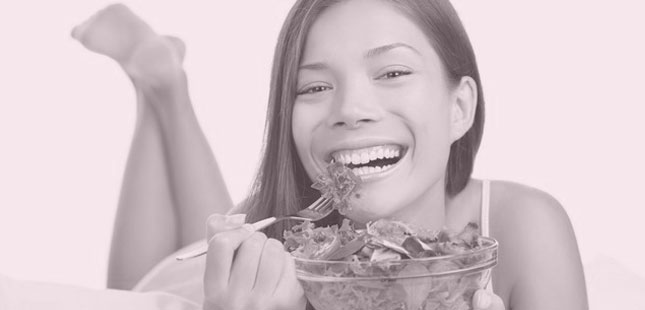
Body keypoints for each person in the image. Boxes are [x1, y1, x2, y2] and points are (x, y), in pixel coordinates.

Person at [72, 1, 589, 309]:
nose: (351, 109)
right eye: (314, 87)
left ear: (459, 106)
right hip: (193, 283)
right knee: (130, 296)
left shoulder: (522, 227)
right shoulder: (281, 234)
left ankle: (163, 82)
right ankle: (162, 87)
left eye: (392, 73)